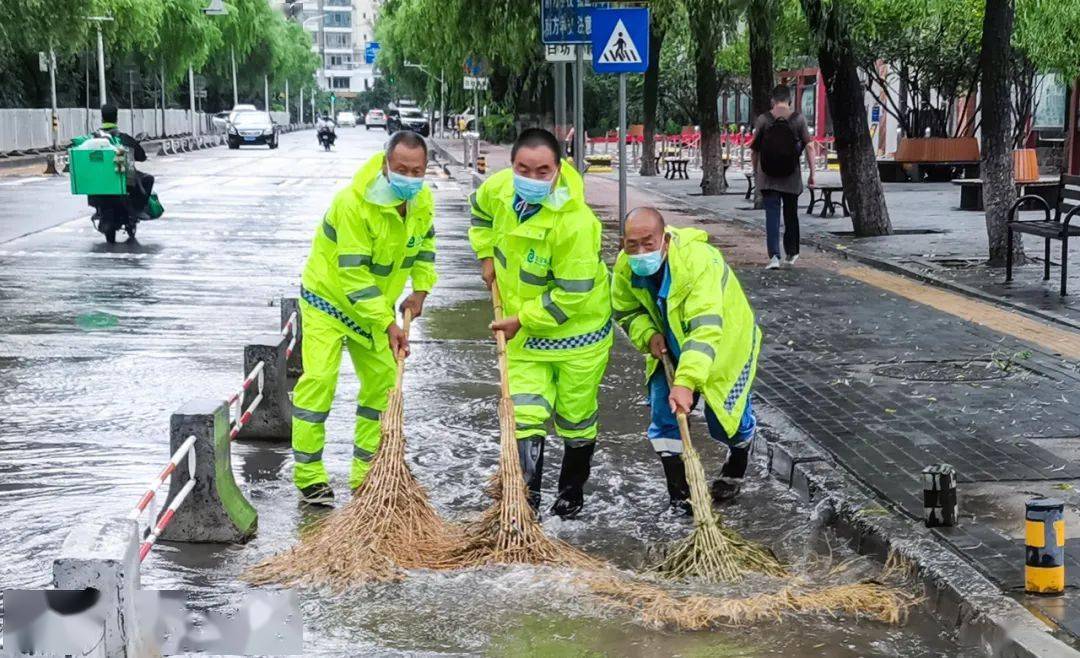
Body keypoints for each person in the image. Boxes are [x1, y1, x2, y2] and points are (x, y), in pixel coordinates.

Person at [468, 128, 612, 518]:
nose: (531, 179)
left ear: (559, 169)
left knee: (575, 417)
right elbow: (479, 213)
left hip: (577, 336)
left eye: (542, 171)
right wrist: (485, 255)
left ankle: (570, 492)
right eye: (523, 169)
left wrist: (522, 319)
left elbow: (573, 293)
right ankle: (525, 504)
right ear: (510, 165)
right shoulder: (498, 190)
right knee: (524, 413)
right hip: (523, 333)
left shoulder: (575, 223)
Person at [291, 131, 436, 506]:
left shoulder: (422, 201)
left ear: (425, 170)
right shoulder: (354, 203)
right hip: (329, 300)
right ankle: (309, 476)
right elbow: (353, 275)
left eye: (416, 170)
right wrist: (387, 322)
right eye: (401, 169)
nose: (409, 177)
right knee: (320, 380)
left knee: (383, 382)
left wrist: (420, 291)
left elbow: (425, 248)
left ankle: (367, 474)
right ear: (386, 164)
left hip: (373, 307)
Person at [611, 207, 761, 511]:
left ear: (664, 240)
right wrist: (648, 334)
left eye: (648, 243)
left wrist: (686, 382)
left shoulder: (698, 262)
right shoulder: (626, 268)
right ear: (622, 244)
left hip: (723, 345)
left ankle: (738, 458)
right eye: (632, 245)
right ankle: (680, 496)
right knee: (664, 418)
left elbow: (705, 329)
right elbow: (625, 311)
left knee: (725, 421)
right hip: (668, 346)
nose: (640, 252)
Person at [750, 85, 815, 270]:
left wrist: (756, 172)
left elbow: (754, 150)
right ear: (790, 99)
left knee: (772, 215)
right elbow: (809, 147)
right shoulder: (798, 119)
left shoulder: (763, 120)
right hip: (791, 177)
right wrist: (812, 174)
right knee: (791, 214)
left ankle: (774, 257)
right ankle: (792, 253)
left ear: (773, 99)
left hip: (768, 177)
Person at [98, 103, 153, 218]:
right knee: (148, 179)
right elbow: (141, 156)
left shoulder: (93, 138)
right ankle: (138, 209)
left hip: (100, 179)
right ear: (117, 119)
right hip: (123, 180)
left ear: (102, 118)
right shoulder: (124, 138)